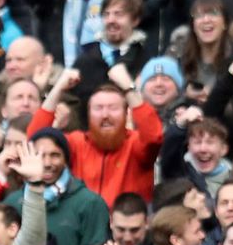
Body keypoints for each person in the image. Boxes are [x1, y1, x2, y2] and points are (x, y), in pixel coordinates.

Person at [28, 65, 164, 207]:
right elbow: (35, 141)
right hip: (81, 225)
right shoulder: (76, 143)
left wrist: (128, 88)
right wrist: (58, 88)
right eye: (98, 108)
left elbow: (154, 136)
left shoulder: (135, 144)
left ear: (126, 114)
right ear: (89, 115)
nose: (105, 115)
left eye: (113, 108)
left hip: (125, 226)